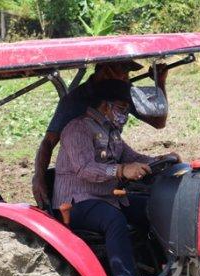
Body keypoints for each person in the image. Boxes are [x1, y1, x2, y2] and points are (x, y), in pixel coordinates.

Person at [52, 79, 179, 276]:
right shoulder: (76, 129)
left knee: (155, 207)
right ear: (104, 106)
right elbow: (84, 168)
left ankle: (168, 270)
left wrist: (163, 160)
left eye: (127, 109)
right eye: (122, 108)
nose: (125, 114)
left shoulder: (111, 132)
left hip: (108, 197)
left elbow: (132, 158)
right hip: (76, 202)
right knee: (113, 220)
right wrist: (120, 170)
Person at [32, 60, 169, 209]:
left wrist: (160, 83)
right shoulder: (74, 102)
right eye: (124, 73)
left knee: (153, 205)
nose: (127, 79)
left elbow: (158, 122)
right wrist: (39, 177)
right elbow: (49, 142)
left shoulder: (122, 93)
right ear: (106, 71)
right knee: (114, 221)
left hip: (109, 180)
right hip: (82, 188)